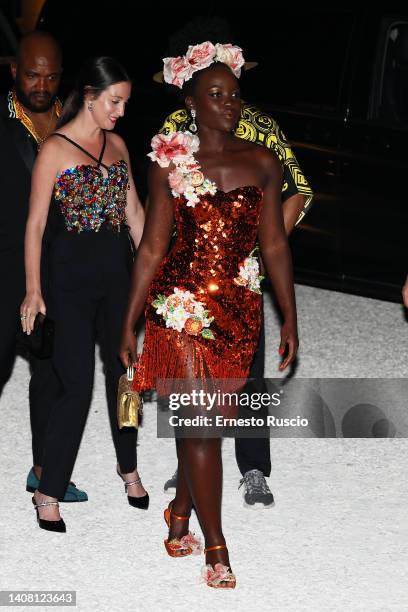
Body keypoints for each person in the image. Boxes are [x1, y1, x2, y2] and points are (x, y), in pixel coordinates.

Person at [120, 41, 298, 587]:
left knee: (207, 423)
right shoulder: (168, 162)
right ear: (191, 101)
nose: (229, 103)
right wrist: (128, 319)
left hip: (239, 311)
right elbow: (152, 245)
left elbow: (272, 245)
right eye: (215, 94)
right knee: (202, 431)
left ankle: (178, 517)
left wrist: (289, 315)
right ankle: (215, 547)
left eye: (235, 94)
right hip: (181, 309)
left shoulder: (262, 160)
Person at [158, 18, 313, 508]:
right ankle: (189, 465)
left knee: (248, 373)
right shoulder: (173, 131)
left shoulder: (262, 127)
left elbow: (299, 191)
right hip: (189, 275)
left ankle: (253, 468)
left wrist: (256, 244)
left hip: (240, 273)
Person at [20, 56, 146, 532]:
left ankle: (128, 465)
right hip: (68, 286)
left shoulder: (117, 145)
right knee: (77, 387)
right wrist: (33, 290)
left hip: (117, 281)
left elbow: (134, 214)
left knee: (125, 377)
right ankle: (48, 489)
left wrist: (155, 277)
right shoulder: (54, 149)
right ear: (91, 97)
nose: (121, 112)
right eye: (115, 102)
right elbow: (33, 226)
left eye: (126, 103)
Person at [0, 30, 87, 503]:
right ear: (14, 71)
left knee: (51, 374)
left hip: (58, 271)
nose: (41, 83)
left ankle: (44, 469)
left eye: (51, 75)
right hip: (4, 268)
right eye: (32, 74)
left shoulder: (74, 121)